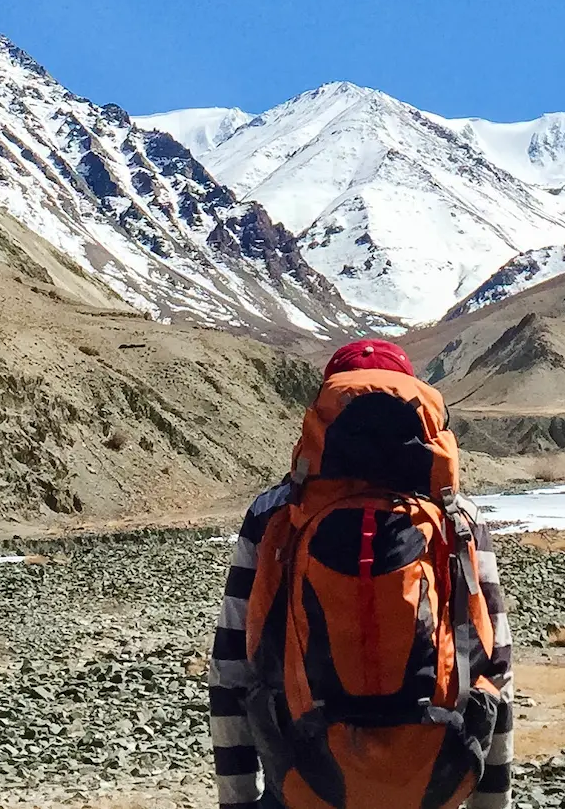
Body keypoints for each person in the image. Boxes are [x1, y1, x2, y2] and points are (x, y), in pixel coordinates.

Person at [210, 339, 516, 809]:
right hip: (432, 779)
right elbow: (495, 664)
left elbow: (231, 664)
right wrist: (490, 800)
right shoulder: (459, 518)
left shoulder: (275, 513)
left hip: (304, 778)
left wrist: (236, 799)